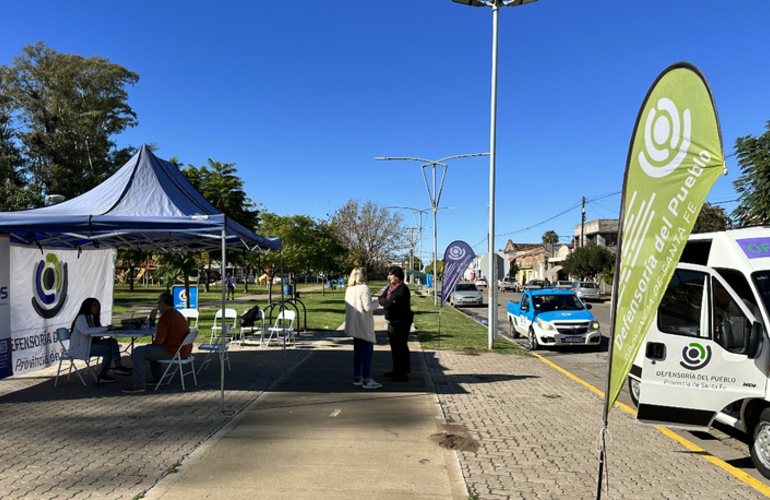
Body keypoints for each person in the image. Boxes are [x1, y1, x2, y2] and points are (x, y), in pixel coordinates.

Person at [122, 292, 191, 394]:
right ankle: (158, 378)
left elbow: (159, 341)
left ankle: (139, 385)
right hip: (184, 350)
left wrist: (150, 346)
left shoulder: (165, 317)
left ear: (162, 303)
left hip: (173, 350)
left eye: (158, 303)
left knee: (138, 352)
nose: (158, 306)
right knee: (150, 350)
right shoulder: (177, 314)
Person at [69, 298, 131, 384]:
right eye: (94, 306)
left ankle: (118, 366)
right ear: (88, 306)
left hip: (90, 344)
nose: (97, 308)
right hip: (81, 348)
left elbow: (95, 334)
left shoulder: (92, 318)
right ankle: (103, 374)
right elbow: (85, 331)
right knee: (107, 350)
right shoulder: (81, 318)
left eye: (98, 306)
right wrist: (105, 328)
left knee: (112, 342)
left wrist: (107, 330)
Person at [344, 267, 382, 390]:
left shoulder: (349, 290)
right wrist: (378, 302)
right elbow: (367, 307)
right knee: (367, 353)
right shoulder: (364, 288)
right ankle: (366, 379)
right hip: (363, 324)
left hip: (353, 324)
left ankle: (357, 377)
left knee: (357, 353)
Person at [378, 265, 414, 382]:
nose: (389, 277)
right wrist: (387, 302)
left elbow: (396, 303)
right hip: (391, 320)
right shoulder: (389, 288)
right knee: (394, 347)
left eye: (391, 274)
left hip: (402, 321)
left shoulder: (402, 289)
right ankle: (395, 369)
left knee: (401, 346)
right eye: (389, 274)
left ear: (397, 276)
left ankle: (403, 372)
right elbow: (382, 299)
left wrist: (388, 302)